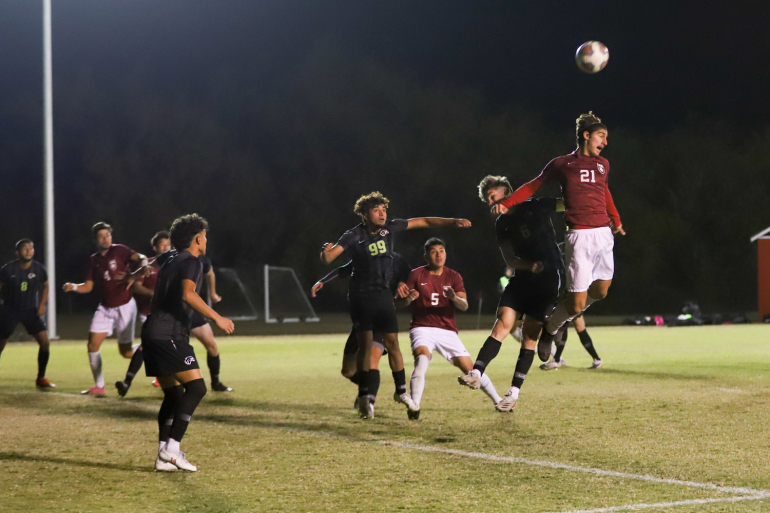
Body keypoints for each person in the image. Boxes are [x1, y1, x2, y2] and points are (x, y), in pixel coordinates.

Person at [320, 191, 471, 419]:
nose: (382, 213)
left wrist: (453, 221)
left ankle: (395, 393)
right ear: (364, 214)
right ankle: (365, 395)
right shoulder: (353, 236)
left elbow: (424, 221)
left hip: (382, 297)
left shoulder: (390, 231)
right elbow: (331, 259)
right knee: (359, 355)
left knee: (391, 345)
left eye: (384, 209)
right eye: (376, 210)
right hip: (361, 297)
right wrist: (325, 253)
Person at [494, 112, 624, 364]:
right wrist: (507, 202)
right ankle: (551, 329)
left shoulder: (603, 165)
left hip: (604, 234)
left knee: (601, 291)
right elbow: (534, 185)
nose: (605, 142)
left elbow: (604, 191)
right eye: (601, 136)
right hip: (579, 237)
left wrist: (616, 219)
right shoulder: (562, 164)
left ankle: (553, 324)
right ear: (586, 135)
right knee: (576, 306)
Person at [459, 176, 564, 412]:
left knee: (529, 336)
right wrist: (528, 266)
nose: (490, 201)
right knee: (502, 324)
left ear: (506, 190)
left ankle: (513, 393)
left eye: (492, 195)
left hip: (548, 278)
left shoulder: (534, 205)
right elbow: (509, 258)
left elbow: (565, 203)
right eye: (487, 199)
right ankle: (476, 372)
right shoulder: (501, 224)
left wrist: (583, 194)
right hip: (522, 278)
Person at [143, 214, 234, 472]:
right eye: (204, 235)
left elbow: (151, 263)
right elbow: (188, 293)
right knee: (196, 389)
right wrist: (217, 317)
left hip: (152, 331)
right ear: (197, 238)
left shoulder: (171, 257)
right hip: (168, 334)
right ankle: (172, 449)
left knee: (173, 394)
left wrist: (138, 271)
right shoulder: (193, 261)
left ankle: (162, 456)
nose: (206, 239)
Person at [116, 230, 233, 397]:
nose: (205, 241)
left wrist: (213, 293)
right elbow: (148, 267)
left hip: (192, 311)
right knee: (149, 346)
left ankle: (215, 382)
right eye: (203, 237)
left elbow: (210, 273)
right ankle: (128, 382)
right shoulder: (170, 256)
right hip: (172, 313)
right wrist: (132, 276)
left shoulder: (202, 259)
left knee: (212, 345)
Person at [396, 238, 501, 419]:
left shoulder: (454, 276)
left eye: (442, 250)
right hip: (422, 328)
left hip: (447, 330)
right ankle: (414, 406)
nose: (439, 254)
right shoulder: (416, 275)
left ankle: (499, 401)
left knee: (471, 369)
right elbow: (400, 303)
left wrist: (454, 298)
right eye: (434, 251)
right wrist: (408, 298)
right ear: (426, 256)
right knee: (421, 359)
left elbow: (464, 306)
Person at [312, 254, 412, 415]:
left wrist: (404, 284)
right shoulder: (365, 255)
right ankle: (367, 386)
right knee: (348, 371)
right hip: (362, 319)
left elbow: (411, 275)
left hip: (382, 318)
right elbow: (344, 269)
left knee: (372, 359)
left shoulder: (396, 260)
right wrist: (323, 280)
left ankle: (368, 402)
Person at [63, 222, 149, 396]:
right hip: (105, 308)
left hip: (125, 307)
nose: (105, 239)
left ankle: (153, 349)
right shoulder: (94, 260)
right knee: (92, 344)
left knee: (125, 352)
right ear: (95, 239)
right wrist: (72, 287)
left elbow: (140, 257)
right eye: (101, 236)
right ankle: (99, 386)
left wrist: (141, 266)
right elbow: (87, 287)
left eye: (107, 235)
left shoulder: (120, 250)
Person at [0, 239, 55, 388]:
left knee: (45, 342)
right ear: (17, 253)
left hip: (30, 310)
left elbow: (46, 286)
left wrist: (42, 305)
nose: (28, 251)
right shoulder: (7, 270)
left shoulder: (39, 269)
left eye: (31, 248)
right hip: (9, 310)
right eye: (25, 248)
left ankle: (41, 378)